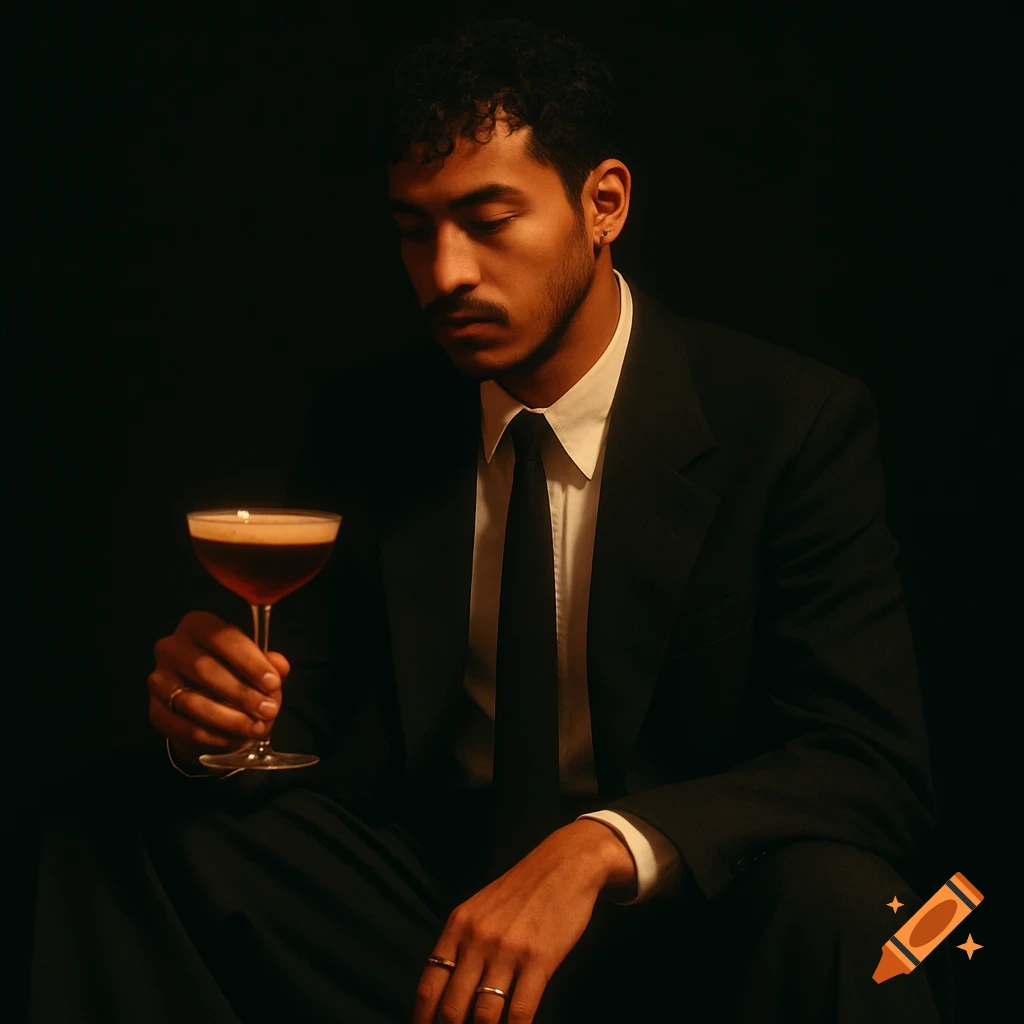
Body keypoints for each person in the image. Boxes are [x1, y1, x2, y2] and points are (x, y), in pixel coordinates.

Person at [25, 16, 952, 1024]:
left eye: (489, 218)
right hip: (436, 906)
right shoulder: (373, 422)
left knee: (852, 908)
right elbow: (304, 718)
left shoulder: (787, 422)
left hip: (684, 915)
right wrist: (213, 719)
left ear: (603, 204)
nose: (446, 272)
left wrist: (599, 847)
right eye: (414, 229)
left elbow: (866, 765)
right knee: (111, 818)